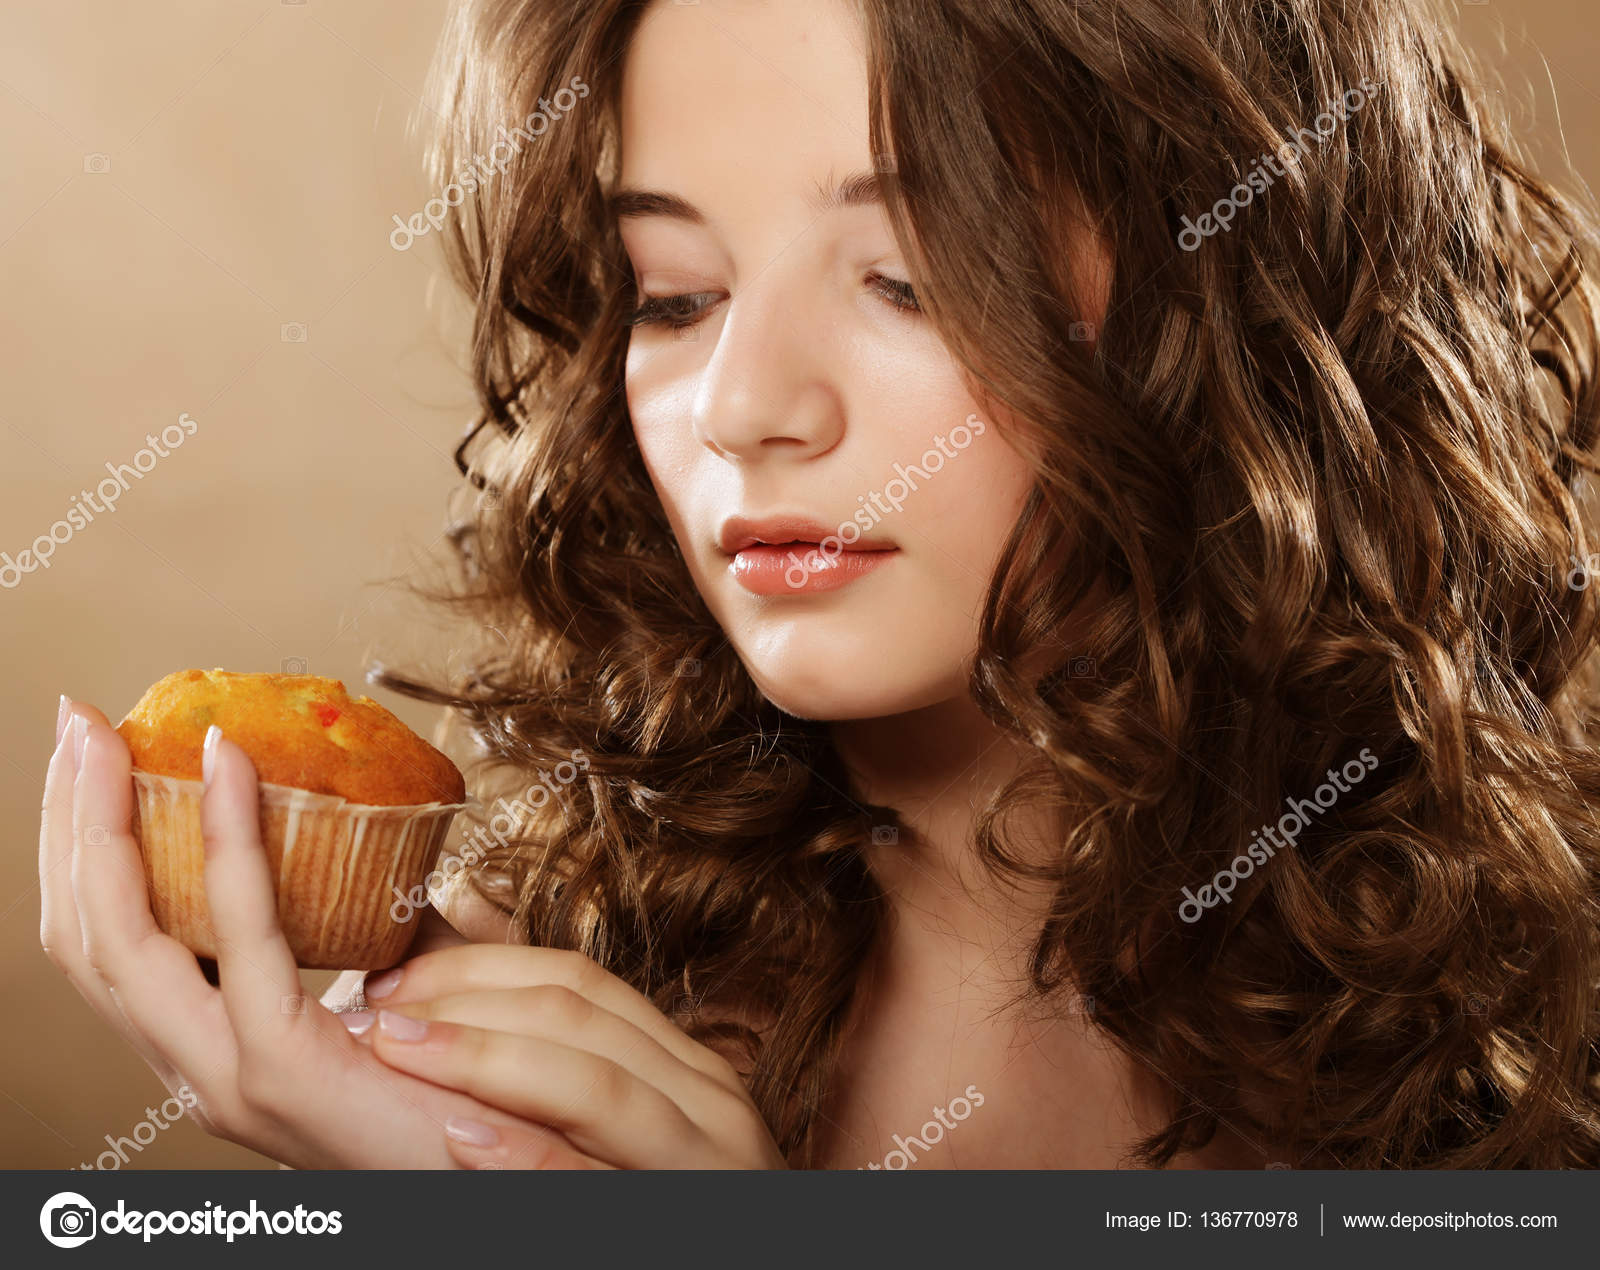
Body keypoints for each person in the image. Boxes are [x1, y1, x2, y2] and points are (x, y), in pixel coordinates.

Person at [43, 0, 1600, 1169]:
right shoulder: (533, 1008)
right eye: (678, 294)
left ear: (1231, 307)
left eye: (908, 276)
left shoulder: (1533, 987)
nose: (739, 405)